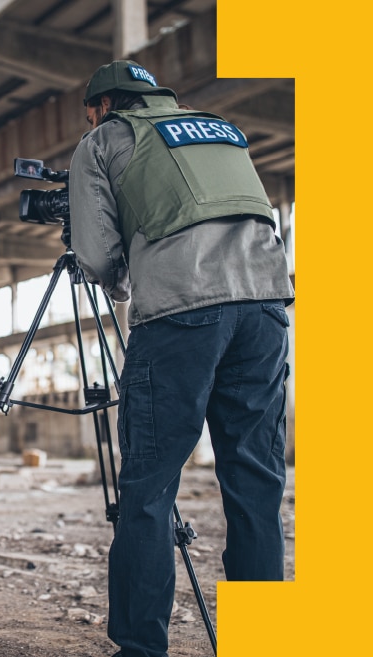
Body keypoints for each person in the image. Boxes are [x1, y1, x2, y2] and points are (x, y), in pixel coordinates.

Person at [68, 61, 294, 657]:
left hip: (181, 314)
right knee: (257, 480)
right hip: (267, 306)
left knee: (147, 487)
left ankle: (142, 649)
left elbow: (94, 253)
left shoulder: (104, 140)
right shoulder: (218, 127)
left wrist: (123, 282)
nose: (89, 122)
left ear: (104, 105)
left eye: (89, 113)